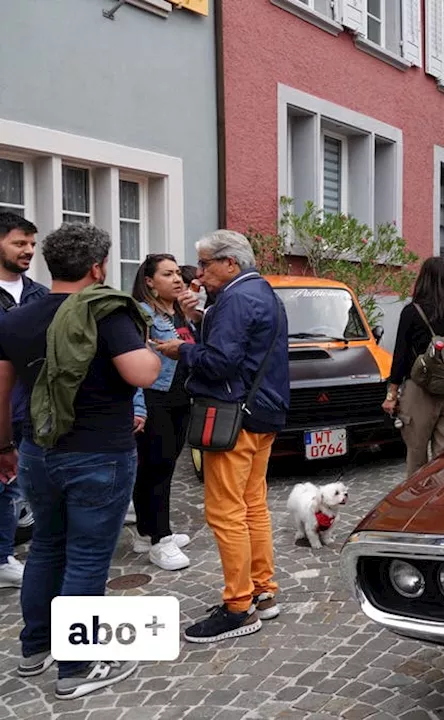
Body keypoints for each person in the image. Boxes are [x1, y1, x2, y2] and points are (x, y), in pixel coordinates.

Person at [0, 222, 160, 698]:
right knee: (88, 556)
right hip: (99, 453)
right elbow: (141, 373)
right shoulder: (106, 312)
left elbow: (1, 392)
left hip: (36, 450)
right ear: (97, 267)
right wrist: (151, 350)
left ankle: (36, 649)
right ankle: (77, 667)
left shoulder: (17, 318)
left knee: (47, 546)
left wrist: (4, 448)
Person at [154, 230, 289, 643]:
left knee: (226, 513)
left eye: (205, 264)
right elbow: (244, 346)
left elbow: (220, 361)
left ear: (230, 263)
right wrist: (201, 318)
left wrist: (181, 349)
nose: (197, 274)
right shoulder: (261, 291)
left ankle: (238, 606)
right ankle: (263, 593)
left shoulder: (234, 297)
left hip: (234, 417)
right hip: (262, 413)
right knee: (252, 507)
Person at [129, 254, 201, 571]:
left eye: (178, 274)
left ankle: (146, 531)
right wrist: (138, 407)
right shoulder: (141, 314)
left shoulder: (179, 312)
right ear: (148, 281)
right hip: (155, 397)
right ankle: (161, 539)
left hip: (181, 397)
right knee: (155, 467)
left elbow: (195, 350)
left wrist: (192, 316)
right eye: (167, 274)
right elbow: (132, 363)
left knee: (164, 466)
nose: (177, 280)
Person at [383, 258, 444, 477]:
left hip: (418, 392)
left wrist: (392, 394)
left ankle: (416, 502)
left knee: (416, 456)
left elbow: (401, 356)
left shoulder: (412, 312)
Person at [0, 212, 47, 590]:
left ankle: (3, 558)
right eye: (19, 243)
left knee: (12, 488)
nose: (29, 251)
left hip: (27, 409)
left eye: (32, 244)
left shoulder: (39, 294)